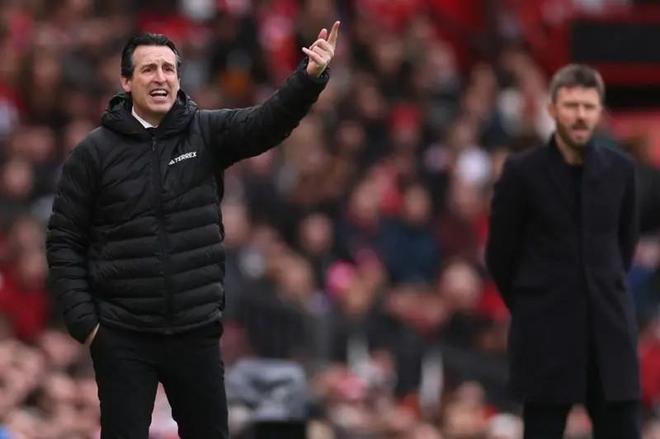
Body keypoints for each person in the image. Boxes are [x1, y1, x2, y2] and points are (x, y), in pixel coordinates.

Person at [46, 23, 339, 439]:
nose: (161, 77)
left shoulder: (205, 132)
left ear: (179, 79)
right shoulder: (93, 154)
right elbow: (63, 240)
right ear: (126, 81)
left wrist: (309, 78)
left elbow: (267, 122)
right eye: (148, 69)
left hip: (195, 331)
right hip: (123, 335)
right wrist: (87, 325)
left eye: (168, 68)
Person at [485, 64, 640, 438]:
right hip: (545, 332)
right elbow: (500, 254)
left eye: (589, 106)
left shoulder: (621, 170)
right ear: (553, 110)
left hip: (608, 332)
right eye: (571, 106)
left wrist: (603, 289)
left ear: (600, 111)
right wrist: (532, 301)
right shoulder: (522, 171)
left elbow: (625, 244)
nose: (580, 115)